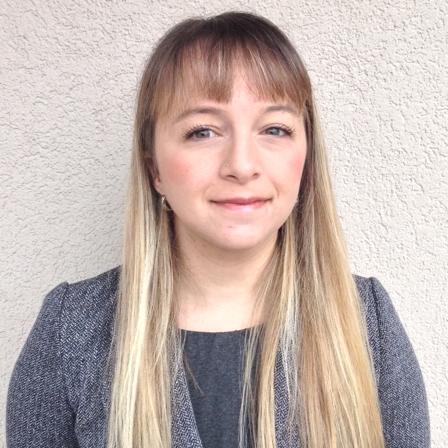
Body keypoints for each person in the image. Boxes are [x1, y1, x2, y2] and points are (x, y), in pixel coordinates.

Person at [6, 11, 429, 448]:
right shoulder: (71, 332)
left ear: (306, 159)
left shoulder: (367, 325)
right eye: (203, 131)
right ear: (153, 166)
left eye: (275, 129)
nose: (242, 165)